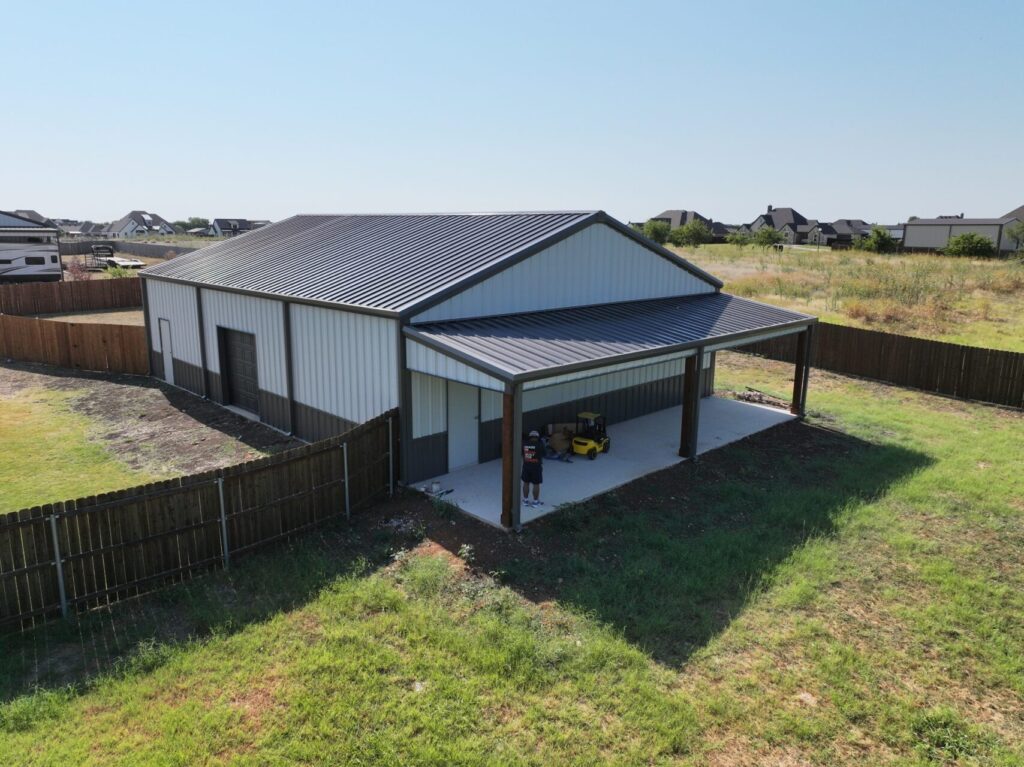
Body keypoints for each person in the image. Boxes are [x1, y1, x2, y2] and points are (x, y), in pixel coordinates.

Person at [521, 429, 544, 507]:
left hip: (526, 467)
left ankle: (525, 500)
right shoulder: (540, 444)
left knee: (526, 483)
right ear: (537, 437)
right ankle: (535, 502)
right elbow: (545, 453)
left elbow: (522, 453)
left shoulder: (524, 444)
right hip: (536, 467)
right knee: (536, 484)